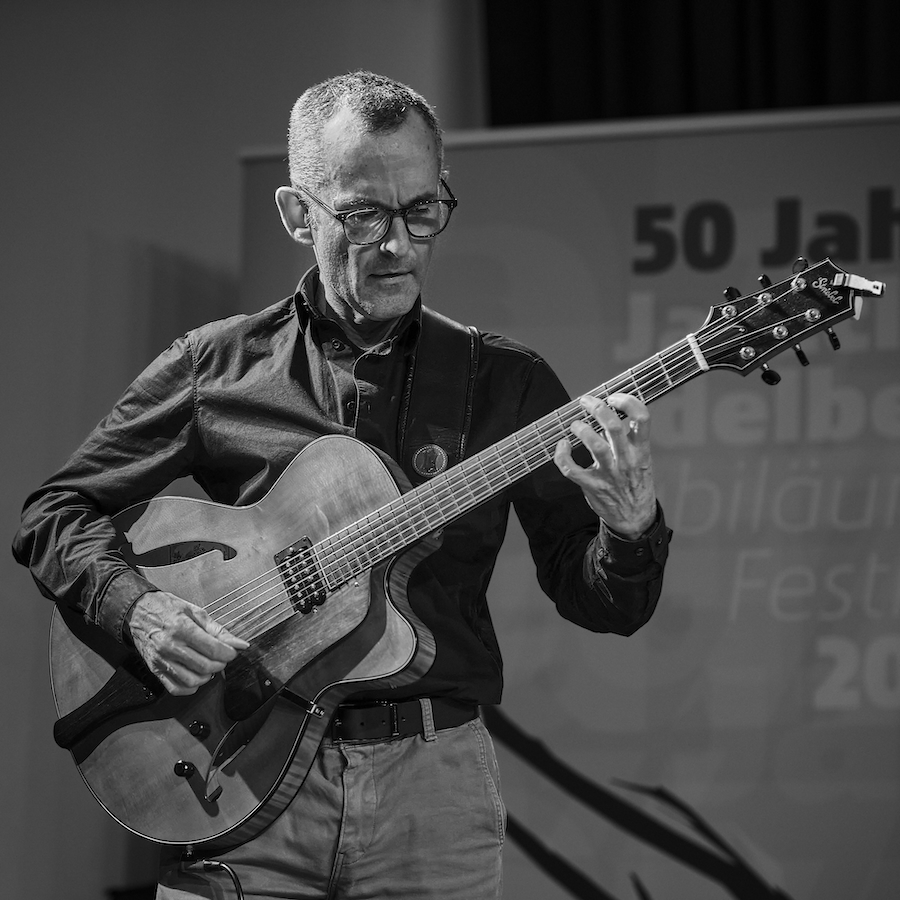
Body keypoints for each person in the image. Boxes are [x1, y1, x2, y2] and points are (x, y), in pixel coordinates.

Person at [13, 71, 671, 900]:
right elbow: (54, 512)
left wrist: (628, 525)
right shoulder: (217, 366)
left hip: (432, 794)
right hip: (235, 773)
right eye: (363, 215)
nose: (399, 245)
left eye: (422, 209)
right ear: (299, 214)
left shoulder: (505, 384)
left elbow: (606, 606)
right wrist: (139, 609)